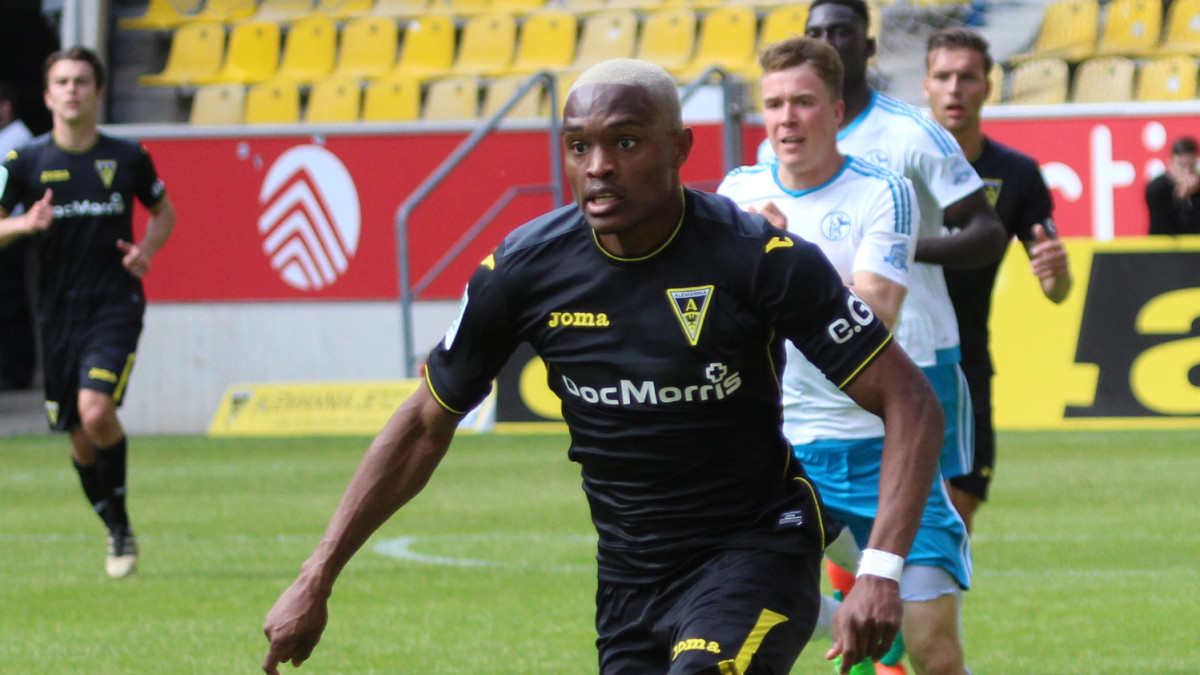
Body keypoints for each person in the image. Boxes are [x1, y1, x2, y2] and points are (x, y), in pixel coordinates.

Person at [262, 58, 946, 675]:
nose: (598, 166)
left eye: (625, 142)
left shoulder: (756, 257)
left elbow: (911, 401)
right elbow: (423, 423)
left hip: (757, 551)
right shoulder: (523, 271)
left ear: (679, 147)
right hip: (629, 583)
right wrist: (316, 574)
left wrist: (881, 569)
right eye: (578, 146)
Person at [721, 38, 971, 675]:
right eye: (774, 104)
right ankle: (843, 618)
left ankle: (872, 620)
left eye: (803, 102)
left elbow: (875, 313)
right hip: (785, 450)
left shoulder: (882, 191)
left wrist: (784, 258)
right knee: (732, 607)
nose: (787, 118)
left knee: (934, 653)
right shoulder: (737, 194)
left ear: (836, 112)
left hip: (881, 450)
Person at [0, 47, 176, 578]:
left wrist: (147, 251)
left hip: (115, 304)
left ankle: (118, 531)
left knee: (96, 411)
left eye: (81, 81)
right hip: (57, 315)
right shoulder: (22, 162)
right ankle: (117, 525)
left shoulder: (128, 156)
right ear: (48, 94)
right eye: (62, 82)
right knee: (79, 435)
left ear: (98, 92)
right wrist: (24, 224)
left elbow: (164, 212)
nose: (72, 90)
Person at [923, 27, 1073, 534]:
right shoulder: (895, 164)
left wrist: (1057, 274)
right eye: (943, 76)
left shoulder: (1017, 173)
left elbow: (1056, 291)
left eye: (968, 77)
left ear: (988, 87)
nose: (955, 89)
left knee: (958, 508)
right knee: (874, 510)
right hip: (893, 354)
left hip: (967, 360)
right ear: (925, 85)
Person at [0, 81, 36, 391]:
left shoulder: (16, 141)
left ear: (6, 107)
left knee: (10, 301)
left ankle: (15, 371)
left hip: (12, 231)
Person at [1145, 136, 1200, 235]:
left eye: (1191, 167)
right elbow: (1161, 228)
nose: (1187, 172)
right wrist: (1179, 198)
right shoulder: (1158, 189)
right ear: (1170, 164)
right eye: (1182, 166)